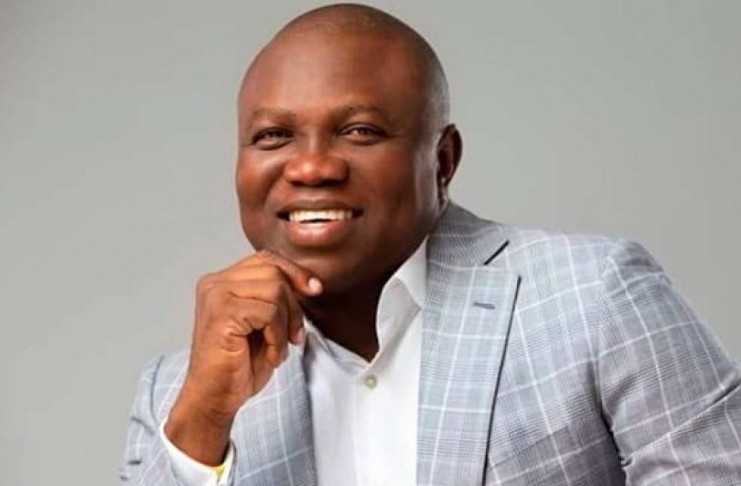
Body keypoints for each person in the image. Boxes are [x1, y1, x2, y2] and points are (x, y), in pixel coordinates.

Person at [120, 4, 741, 485]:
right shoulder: (179, 394)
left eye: (359, 131)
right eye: (273, 137)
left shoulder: (594, 297)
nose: (310, 167)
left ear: (442, 161)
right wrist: (202, 420)